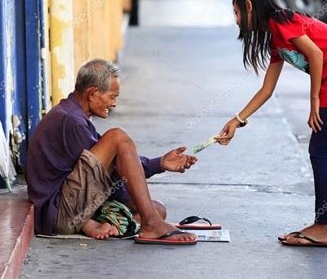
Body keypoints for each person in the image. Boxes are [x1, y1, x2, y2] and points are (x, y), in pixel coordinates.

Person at [215, 0, 327, 247]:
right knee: (319, 150)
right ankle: (324, 224)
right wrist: (237, 120)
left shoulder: (281, 21)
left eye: (237, 13)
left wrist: (314, 101)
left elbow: (317, 54)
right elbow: (267, 89)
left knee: (319, 150)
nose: (237, 20)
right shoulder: (275, 37)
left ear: (249, 5)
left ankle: (326, 226)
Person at [26, 59, 198, 245]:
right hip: (59, 214)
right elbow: (114, 169)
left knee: (157, 208)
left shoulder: (74, 115)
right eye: (112, 97)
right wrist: (139, 206)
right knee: (118, 137)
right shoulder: (71, 120)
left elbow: (109, 164)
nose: (114, 104)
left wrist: (160, 164)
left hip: (72, 207)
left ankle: (113, 223)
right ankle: (150, 224)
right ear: (92, 93)